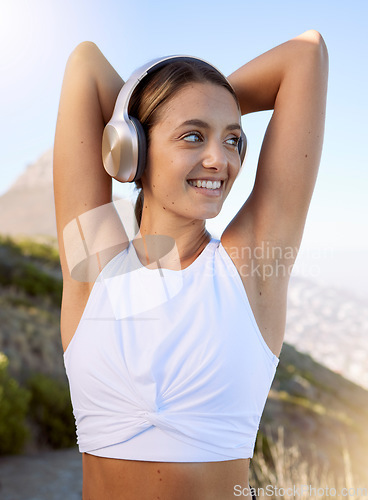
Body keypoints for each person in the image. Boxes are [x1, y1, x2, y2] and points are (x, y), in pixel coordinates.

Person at [53, 30, 328, 500]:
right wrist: (145, 115)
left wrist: (194, 101)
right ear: (133, 147)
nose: (219, 159)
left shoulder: (250, 272)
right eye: (194, 135)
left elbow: (307, 55)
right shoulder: (93, 270)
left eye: (233, 138)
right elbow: (85, 63)